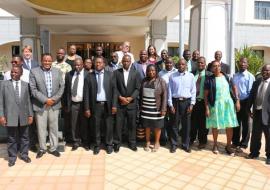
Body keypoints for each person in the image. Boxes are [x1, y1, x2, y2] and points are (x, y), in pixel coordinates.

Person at [29, 53, 65, 158]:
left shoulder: (58, 71)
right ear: (41, 61)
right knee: (41, 129)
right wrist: (45, 100)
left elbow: (62, 87)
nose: (47, 63)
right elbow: (33, 89)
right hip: (40, 105)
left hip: (54, 104)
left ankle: (53, 148)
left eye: (49, 61)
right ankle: (42, 148)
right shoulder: (34, 72)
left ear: (52, 61)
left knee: (54, 127)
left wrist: (53, 99)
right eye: (45, 60)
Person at [0, 66, 33, 167]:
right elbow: (1, 102)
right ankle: (12, 157)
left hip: (23, 115)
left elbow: (28, 101)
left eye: (16, 72)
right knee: (11, 138)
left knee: (25, 137)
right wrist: (1, 116)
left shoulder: (25, 85)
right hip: (10, 116)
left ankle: (24, 155)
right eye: (12, 72)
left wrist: (30, 114)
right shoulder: (4, 84)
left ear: (21, 74)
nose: (13, 74)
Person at [204, 60, 239, 155]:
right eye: (214, 66)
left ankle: (228, 145)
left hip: (228, 105)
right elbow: (206, 95)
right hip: (215, 105)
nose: (217, 67)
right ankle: (215, 144)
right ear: (211, 68)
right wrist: (207, 108)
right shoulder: (209, 79)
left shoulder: (227, 77)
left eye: (218, 66)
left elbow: (234, 88)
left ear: (221, 67)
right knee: (215, 126)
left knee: (229, 125)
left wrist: (237, 101)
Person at [84, 57, 117, 154]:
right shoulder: (89, 76)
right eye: (96, 63)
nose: (98, 64)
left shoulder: (110, 75)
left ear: (104, 64)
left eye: (100, 62)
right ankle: (97, 145)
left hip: (108, 105)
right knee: (96, 126)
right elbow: (86, 93)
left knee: (109, 126)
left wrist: (114, 105)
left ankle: (109, 144)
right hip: (95, 105)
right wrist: (87, 108)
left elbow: (115, 91)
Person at [113, 55, 141, 152]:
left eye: (128, 61)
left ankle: (132, 143)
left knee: (131, 125)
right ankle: (117, 143)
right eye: (124, 61)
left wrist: (130, 98)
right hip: (120, 104)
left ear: (131, 62)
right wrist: (120, 97)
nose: (126, 63)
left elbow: (138, 88)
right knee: (118, 125)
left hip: (131, 104)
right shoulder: (116, 73)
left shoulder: (136, 73)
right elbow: (114, 87)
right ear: (121, 62)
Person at [168, 58, 196, 153]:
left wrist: (192, 104)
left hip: (186, 102)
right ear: (177, 65)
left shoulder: (191, 76)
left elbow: (193, 91)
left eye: (183, 64)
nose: (181, 66)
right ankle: (174, 144)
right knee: (174, 125)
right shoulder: (172, 76)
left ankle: (185, 144)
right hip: (175, 102)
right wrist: (170, 105)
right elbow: (169, 91)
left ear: (186, 66)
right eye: (179, 64)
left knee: (186, 125)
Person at [246, 64, 270, 165]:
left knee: (269, 136)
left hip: (268, 114)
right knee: (255, 134)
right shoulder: (257, 82)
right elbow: (251, 96)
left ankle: (269, 156)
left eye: (267, 70)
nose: (265, 72)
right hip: (257, 112)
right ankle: (254, 152)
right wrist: (248, 109)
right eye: (263, 70)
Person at [63, 58, 89, 151]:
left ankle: (85, 142)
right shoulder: (69, 74)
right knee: (74, 124)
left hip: (84, 104)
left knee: (84, 124)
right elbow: (66, 90)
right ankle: (76, 141)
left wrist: (88, 107)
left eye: (79, 65)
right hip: (73, 103)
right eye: (75, 65)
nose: (77, 67)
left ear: (82, 65)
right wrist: (66, 104)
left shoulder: (87, 74)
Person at [140, 64, 167, 152]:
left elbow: (165, 96)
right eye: (149, 70)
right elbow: (140, 94)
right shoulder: (144, 81)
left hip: (157, 108)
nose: (151, 72)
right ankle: (147, 142)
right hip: (146, 107)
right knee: (147, 126)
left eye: (153, 70)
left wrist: (163, 109)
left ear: (156, 71)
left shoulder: (161, 81)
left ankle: (156, 142)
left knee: (157, 126)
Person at [232, 57, 255, 149]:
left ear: (247, 64)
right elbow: (232, 89)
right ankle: (235, 141)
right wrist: (236, 100)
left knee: (246, 124)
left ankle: (244, 143)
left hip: (246, 102)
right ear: (238, 64)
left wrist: (249, 106)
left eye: (244, 62)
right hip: (236, 101)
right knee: (236, 123)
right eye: (241, 62)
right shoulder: (235, 75)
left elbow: (251, 92)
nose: (242, 64)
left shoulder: (250, 76)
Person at [190, 57, 212, 149]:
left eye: (202, 63)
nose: (200, 64)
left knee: (203, 124)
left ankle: (202, 141)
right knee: (193, 122)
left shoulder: (209, 75)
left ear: (205, 64)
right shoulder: (191, 74)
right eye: (199, 63)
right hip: (193, 102)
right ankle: (191, 139)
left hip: (204, 102)